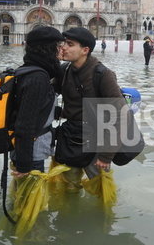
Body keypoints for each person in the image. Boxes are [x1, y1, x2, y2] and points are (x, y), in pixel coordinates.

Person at [56, 27, 123, 190]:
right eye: (64, 43)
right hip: (72, 138)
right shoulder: (64, 70)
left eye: (70, 44)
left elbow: (121, 115)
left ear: (85, 50)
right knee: (69, 187)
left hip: (97, 143)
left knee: (100, 190)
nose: (64, 47)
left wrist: (106, 155)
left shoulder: (103, 74)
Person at [10, 26, 64, 178]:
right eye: (58, 46)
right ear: (48, 48)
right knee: (29, 199)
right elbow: (24, 124)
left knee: (23, 197)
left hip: (27, 151)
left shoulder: (30, 70)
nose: (62, 50)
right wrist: (24, 165)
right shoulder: (37, 79)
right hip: (30, 156)